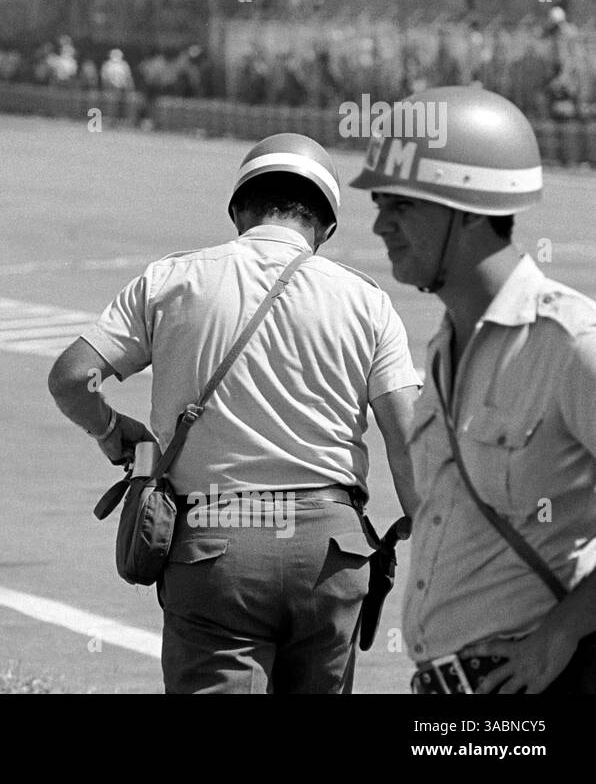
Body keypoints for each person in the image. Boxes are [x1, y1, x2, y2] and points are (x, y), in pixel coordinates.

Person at [48, 133, 422, 694]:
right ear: (327, 227)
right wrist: (440, 554)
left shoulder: (172, 280)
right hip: (331, 553)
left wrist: (110, 430)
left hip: (216, 550)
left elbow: (73, 377)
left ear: (237, 211)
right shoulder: (367, 301)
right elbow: (408, 440)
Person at [352, 85, 596, 694]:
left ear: (469, 210)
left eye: (402, 204)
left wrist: (560, 634)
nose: (380, 223)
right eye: (380, 201)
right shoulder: (443, 349)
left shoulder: (568, 344)